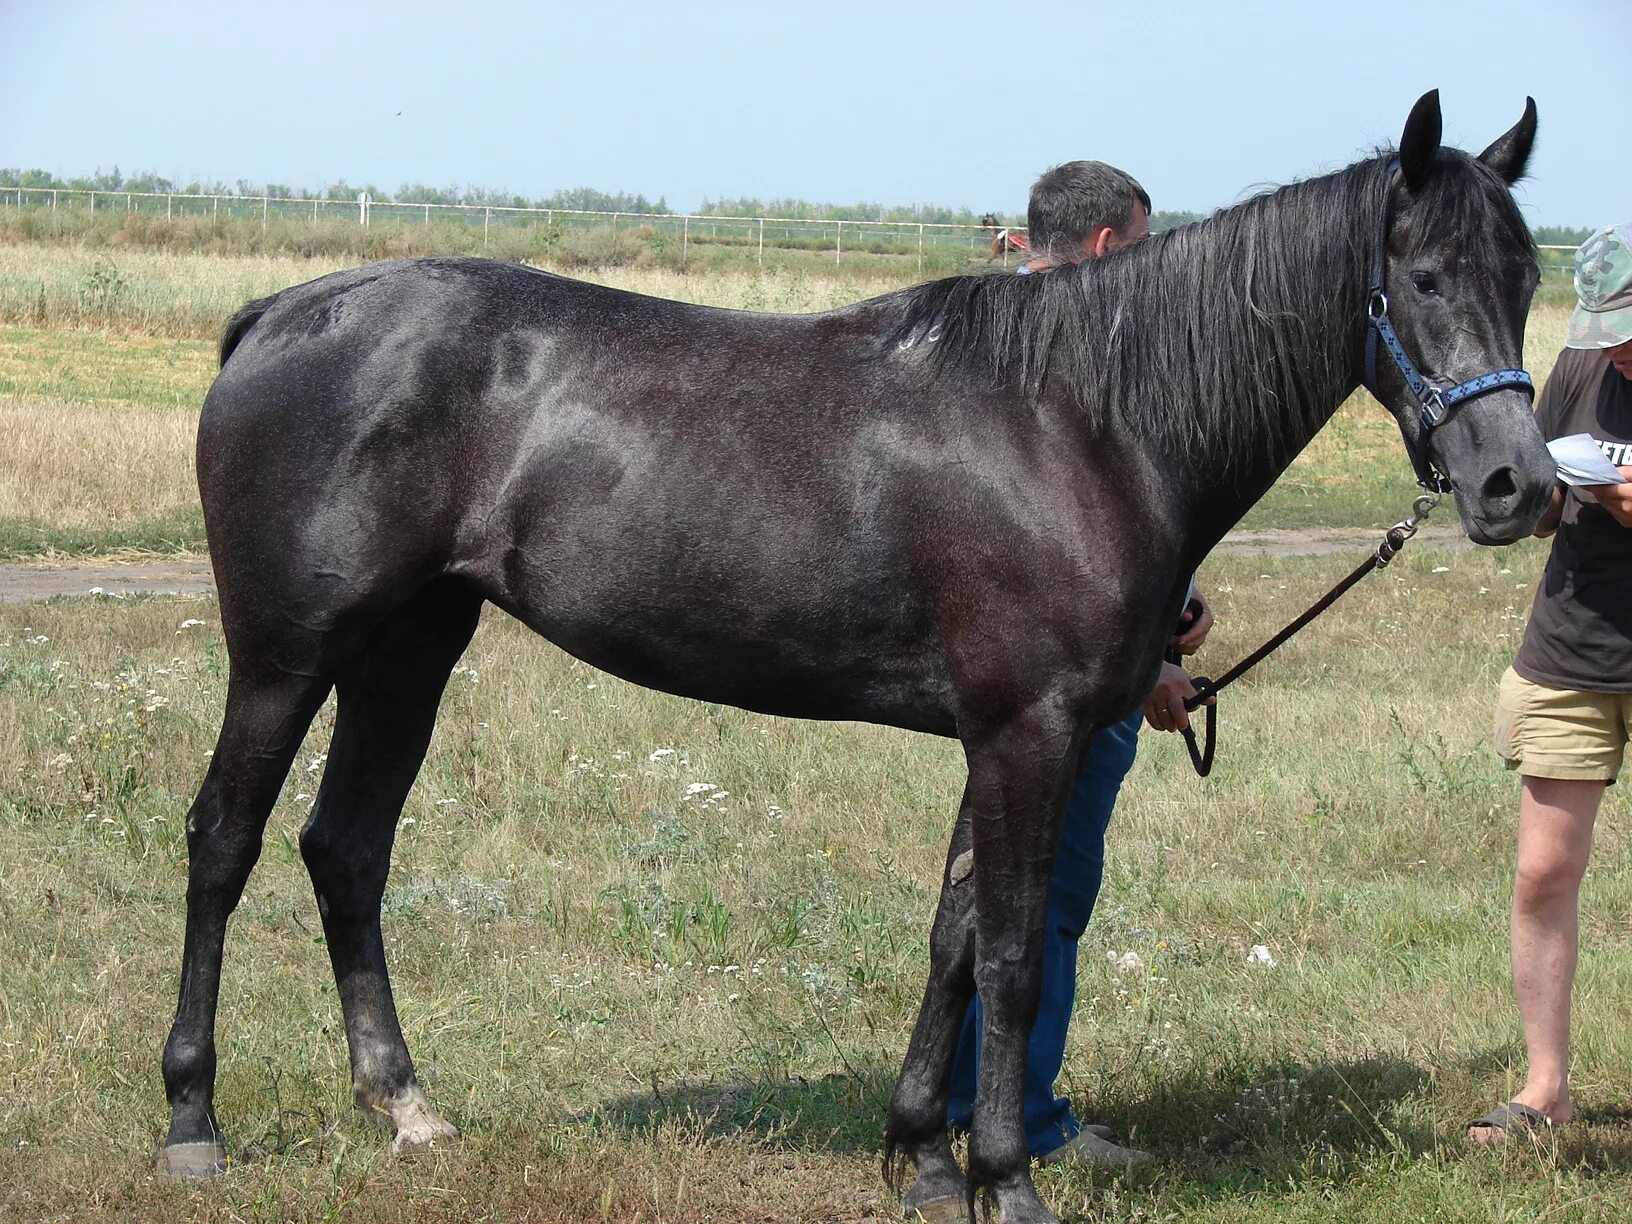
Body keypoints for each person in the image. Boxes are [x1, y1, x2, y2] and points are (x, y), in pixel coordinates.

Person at [944, 160, 1211, 1169]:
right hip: (1061, 685)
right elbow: (1066, 567)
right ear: (1107, 248)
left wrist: (1158, 626)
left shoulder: (989, 342)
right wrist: (1141, 658)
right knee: (1044, 896)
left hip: (1033, 664)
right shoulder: (1066, 368)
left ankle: (967, 1093)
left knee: (993, 886)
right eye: (1140, 251)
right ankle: (1026, 1121)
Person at [1469, 221, 1632, 1144]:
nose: (1618, 351)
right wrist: (1544, 497)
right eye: (1606, 331)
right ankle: (1546, 1090)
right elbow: (1547, 512)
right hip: (1573, 652)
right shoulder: (1582, 367)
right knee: (1542, 873)